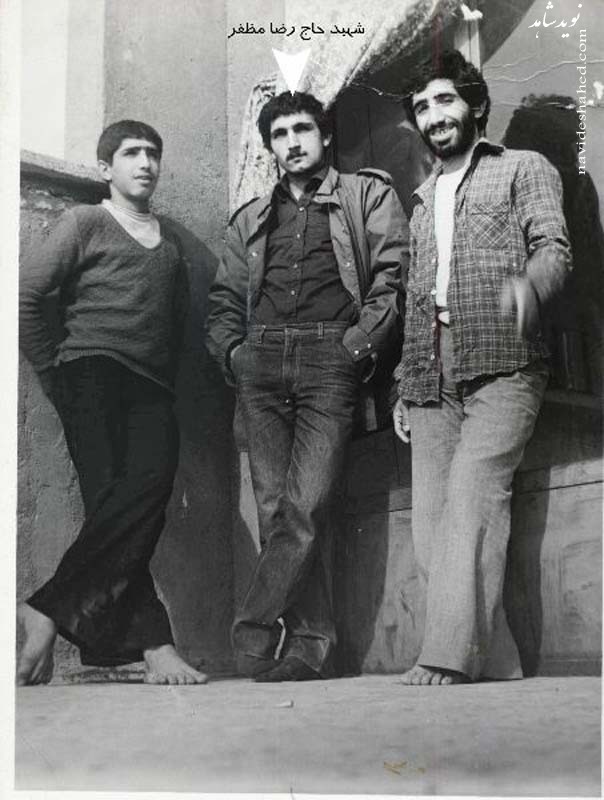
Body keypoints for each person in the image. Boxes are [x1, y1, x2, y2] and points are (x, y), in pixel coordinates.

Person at [206, 91, 408, 681]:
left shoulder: (366, 194)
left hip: (331, 357)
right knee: (276, 509)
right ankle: (309, 646)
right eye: (280, 134)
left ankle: (250, 630)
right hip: (261, 362)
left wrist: (356, 346)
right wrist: (236, 354)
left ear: (325, 136)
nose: (292, 142)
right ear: (270, 147)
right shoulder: (249, 218)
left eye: (302, 129)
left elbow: (393, 277)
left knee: (308, 504)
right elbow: (224, 301)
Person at [392, 51, 571, 685]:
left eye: (445, 99)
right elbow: (416, 295)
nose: (434, 116)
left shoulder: (523, 167)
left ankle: (444, 656)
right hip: (429, 372)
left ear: (476, 105)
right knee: (431, 526)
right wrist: (403, 385)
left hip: (505, 360)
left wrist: (530, 286)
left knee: (471, 499)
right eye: (422, 107)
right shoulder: (420, 201)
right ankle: (496, 661)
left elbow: (554, 247)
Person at [18, 120, 207, 686]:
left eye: (153, 153)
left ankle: (46, 608)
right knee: (113, 506)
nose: (145, 163)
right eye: (130, 153)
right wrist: (54, 373)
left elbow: (174, 327)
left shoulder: (170, 244)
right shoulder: (86, 222)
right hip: (90, 373)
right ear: (106, 168)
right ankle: (155, 645)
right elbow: (25, 295)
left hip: (150, 386)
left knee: (141, 501)